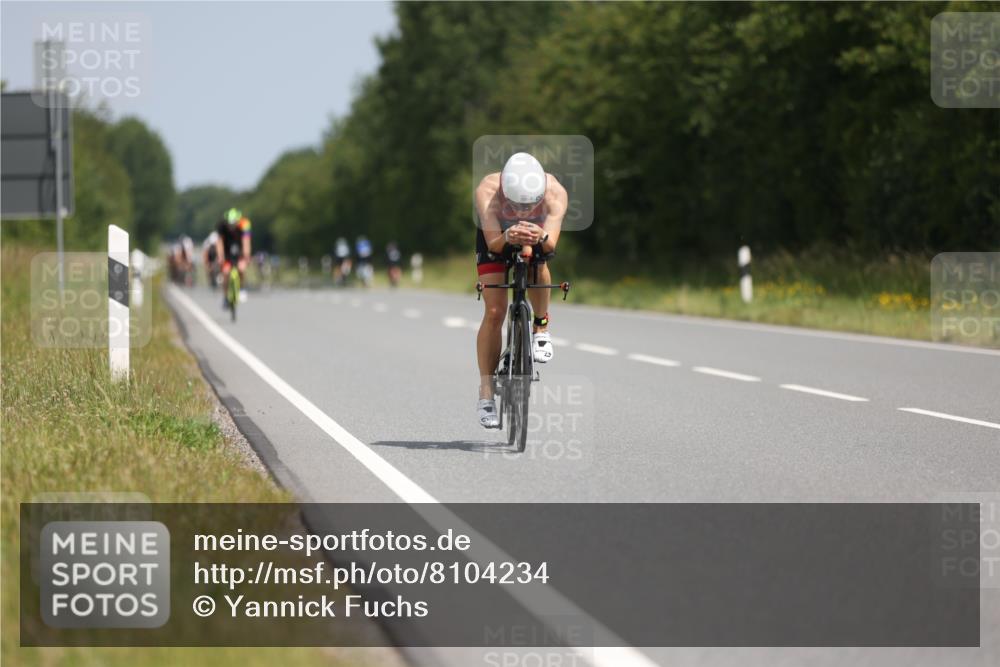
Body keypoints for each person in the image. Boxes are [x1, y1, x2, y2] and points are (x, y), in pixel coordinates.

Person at [474, 152, 567, 428]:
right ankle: (486, 393)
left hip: (535, 233)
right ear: (503, 192)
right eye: (515, 205)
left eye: (529, 205)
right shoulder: (487, 191)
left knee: (537, 260)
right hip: (496, 236)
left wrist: (540, 237)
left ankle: (540, 327)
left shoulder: (555, 193)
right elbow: (492, 244)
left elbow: (550, 246)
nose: (522, 212)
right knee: (494, 311)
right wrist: (507, 235)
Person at [215, 208, 252, 308]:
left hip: (239, 249)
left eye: (234, 224)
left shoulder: (244, 224)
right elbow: (219, 243)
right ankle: (225, 297)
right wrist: (220, 256)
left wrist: (246, 256)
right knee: (226, 272)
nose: (232, 227)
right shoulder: (221, 226)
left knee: (241, 268)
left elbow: (246, 241)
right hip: (227, 250)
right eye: (230, 225)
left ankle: (242, 288)